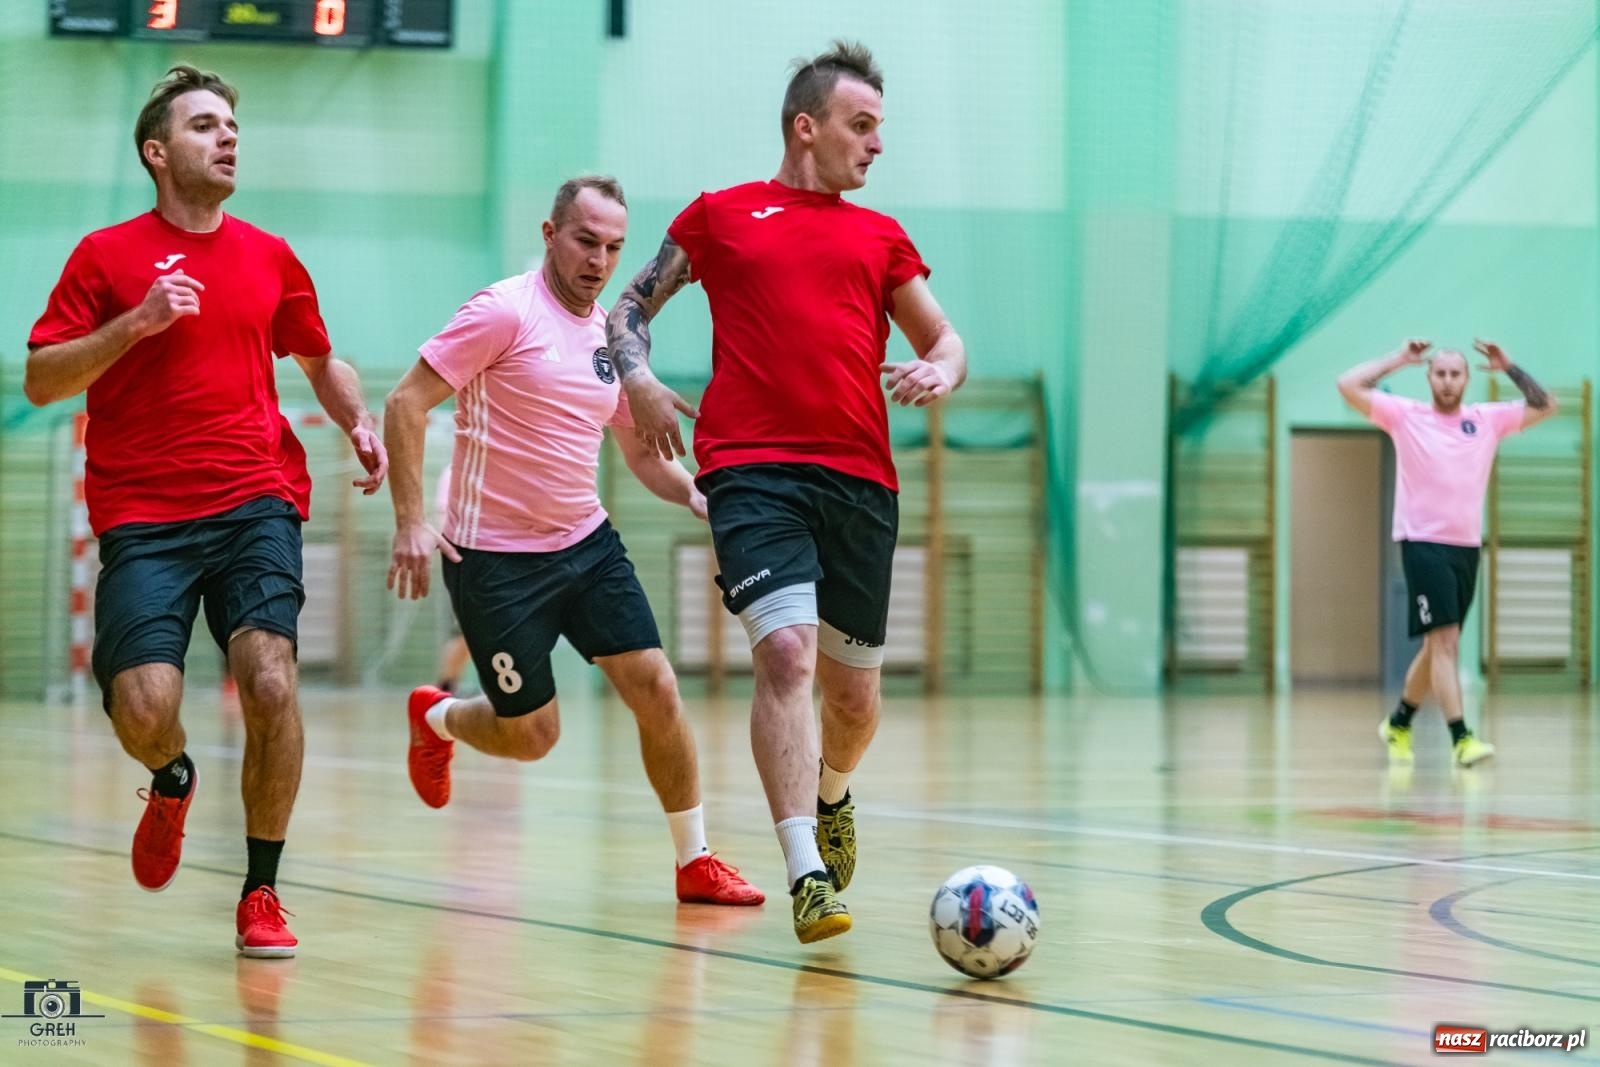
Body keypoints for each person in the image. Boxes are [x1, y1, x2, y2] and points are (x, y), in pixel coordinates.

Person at [605, 41, 968, 942]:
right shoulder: (721, 216)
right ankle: (808, 868)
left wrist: (940, 371)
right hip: (751, 472)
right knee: (789, 658)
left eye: (880, 127)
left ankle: (833, 791)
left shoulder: (880, 237)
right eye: (862, 125)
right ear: (807, 127)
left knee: (851, 698)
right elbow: (627, 308)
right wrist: (640, 380)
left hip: (860, 481)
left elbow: (945, 338)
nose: (876, 144)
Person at [24, 66, 388, 957]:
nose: (227, 137)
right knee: (145, 704)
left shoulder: (269, 254)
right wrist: (134, 325)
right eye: (203, 125)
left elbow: (317, 354)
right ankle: (171, 775)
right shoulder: (105, 257)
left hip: (255, 499)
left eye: (231, 125)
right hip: (144, 516)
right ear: (158, 152)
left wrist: (358, 416)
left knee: (270, 680)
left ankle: (262, 890)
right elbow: (40, 378)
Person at [383, 175, 764, 908]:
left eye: (615, 246)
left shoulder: (610, 340)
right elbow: (406, 402)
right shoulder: (502, 312)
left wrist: (692, 491)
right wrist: (409, 519)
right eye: (586, 240)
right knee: (534, 736)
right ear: (550, 233)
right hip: (492, 557)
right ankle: (436, 715)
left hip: (585, 545)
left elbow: (641, 451)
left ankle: (695, 859)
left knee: (656, 686)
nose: (600, 259)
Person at [1338, 338, 1558, 767]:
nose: (1447, 380)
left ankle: (1399, 723)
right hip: (1422, 542)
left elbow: (1546, 404)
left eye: (1455, 373)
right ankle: (1462, 738)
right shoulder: (1406, 417)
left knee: (1436, 646)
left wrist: (1509, 365)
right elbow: (1347, 384)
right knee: (1446, 642)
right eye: (1440, 373)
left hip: (1466, 547)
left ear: (1467, 379)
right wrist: (1399, 358)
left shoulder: (1487, 420)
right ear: (1429, 377)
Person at [431, 466, 471, 693]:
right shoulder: (453, 472)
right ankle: (444, 689)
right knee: (465, 632)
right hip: (466, 562)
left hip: (479, 561)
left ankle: (446, 687)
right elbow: (444, 520)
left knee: (467, 634)